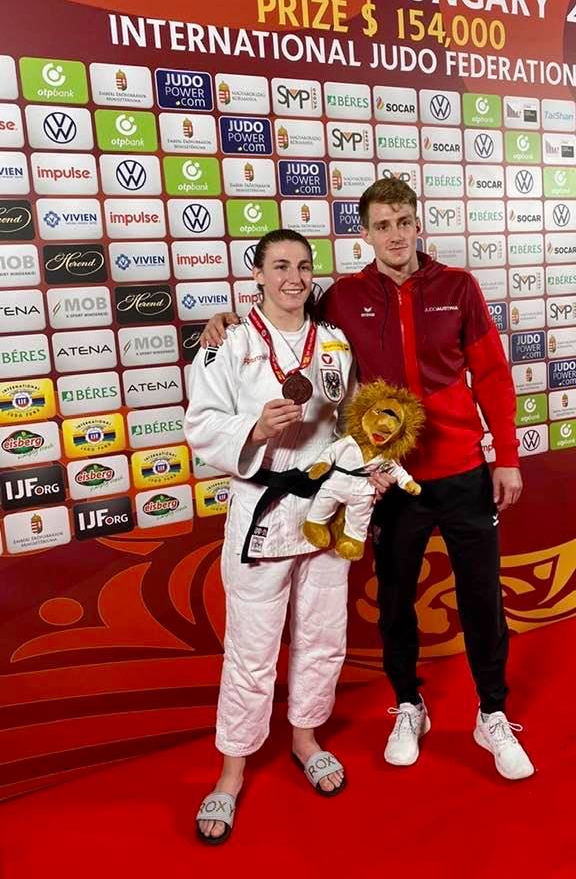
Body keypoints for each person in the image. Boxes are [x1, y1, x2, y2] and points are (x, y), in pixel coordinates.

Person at [200, 179, 534, 781]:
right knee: (396, 601)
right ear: (366, 233)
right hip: (389, 481)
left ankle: (492, 713)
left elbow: (491, 374)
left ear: (417, 224)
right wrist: (225, 321)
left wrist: (505, 454)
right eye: (383, 225)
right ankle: (408, 704)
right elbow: (283, 323)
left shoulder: (459, 286)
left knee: (482, 597)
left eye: (404, 222)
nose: (396, 234)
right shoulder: (344, 299)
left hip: (461, 470)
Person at [185, 229, 355, 845]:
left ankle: (305, 738)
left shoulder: (334, 342)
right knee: (251, 650)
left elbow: (349, 420)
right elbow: (201, 424)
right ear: (256, 274)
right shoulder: (227, 343)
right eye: (280, 265)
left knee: (322, 636)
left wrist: (365, 467)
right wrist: (254, 430)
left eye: (304, 266)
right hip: (262, 508)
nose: (294, 277)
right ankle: (231, 770)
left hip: (324, 507)